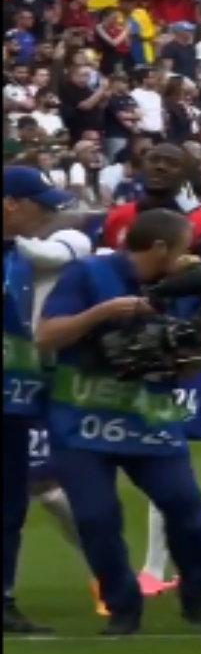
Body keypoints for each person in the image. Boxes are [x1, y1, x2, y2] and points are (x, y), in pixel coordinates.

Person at [36, 208, 201, 636]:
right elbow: (46, 336)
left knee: (186, 510)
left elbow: (194, 353)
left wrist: (189, 358)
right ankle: (123, 607)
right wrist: (103, 313)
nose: (190, 255)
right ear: (160, 248)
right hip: (82, 419)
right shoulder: (88, 273)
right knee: (96, 519)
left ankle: (197, 597)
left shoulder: (184, 285)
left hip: (151, 416)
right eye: (184, 247)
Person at [96, 144, 201, 597]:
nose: (158, 167)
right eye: (151, 158)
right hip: (124, 347)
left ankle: (154, 568)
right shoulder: (118, 217)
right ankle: (187, 549)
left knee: (164, 448)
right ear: (137, 166)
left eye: (170, 162)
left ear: (187, 172)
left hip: (178, 350)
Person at [12, 208, 97, 613]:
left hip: (40, 380)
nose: (43, 215)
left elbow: (42, 255)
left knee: (43, 486)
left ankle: (102, 569)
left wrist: (15, 231)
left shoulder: (71, 243)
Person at [3, 166, 75, 635]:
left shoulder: (18, 256)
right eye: (40, 204)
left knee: (10, 505)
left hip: (13, 399)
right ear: (10, 202)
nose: (47, 213)